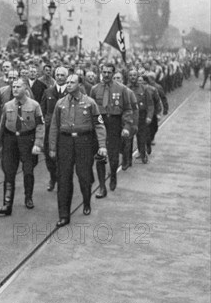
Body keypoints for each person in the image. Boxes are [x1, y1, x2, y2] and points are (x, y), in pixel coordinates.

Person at [49, 74, 107, 227]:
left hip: (84, 142)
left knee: (84, 176)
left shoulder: (89, 103)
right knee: (64, 179)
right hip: (65, 142)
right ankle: (64, 215)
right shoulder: (60, 103)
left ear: (79, 85)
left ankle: (86, 201)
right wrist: (52, 147)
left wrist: (102, 146)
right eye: (66, 82)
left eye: (71, 82)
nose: (68, 85)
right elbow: (54, 126)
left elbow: (99, 125)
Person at [0, 78, 44, 215]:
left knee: (28, 170)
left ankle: (28, 197)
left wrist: (38, 144)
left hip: (27, 139)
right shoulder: (8, 105)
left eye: (18, 87)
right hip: (10, 139)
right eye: (13, 87)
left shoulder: (34, 105)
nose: (15, 89)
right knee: (9, 172)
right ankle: (7, 203)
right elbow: (2, 126)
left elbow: (40, 125)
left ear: (25, 89)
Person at [90, 63, 133, 196]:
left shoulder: (121, 89)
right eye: (104, 72)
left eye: (109, 72)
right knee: (100, 155)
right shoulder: (95, 89)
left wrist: (126, 126)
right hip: (100, 124)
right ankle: (102, 187)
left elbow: (127, 109)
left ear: (113, 74)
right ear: (100, 72)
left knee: (113, 157)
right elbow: (90, 109)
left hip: (115, 123)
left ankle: (113, 174)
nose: (106, 75)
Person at [39, 66, 69, 191]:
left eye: (62, 75)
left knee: (64, 156)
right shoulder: (48, 92)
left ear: (66, 77)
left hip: (65, 130)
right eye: (58, 75)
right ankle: (53, 177)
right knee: (49, 156)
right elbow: (42, 111)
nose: (60, 77)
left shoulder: (70, 92)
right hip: (50, 129)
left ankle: (63, 180)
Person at [127, 70, 154, 164]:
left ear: (137, 76)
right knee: (128, 139)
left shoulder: (144, 88)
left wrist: (149, 116)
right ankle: (128, 160)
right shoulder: (125, 89)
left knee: (141, 137)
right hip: (130, 116)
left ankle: (143, 155)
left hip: (141, 116)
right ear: (128, 77)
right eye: (130, 75)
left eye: (134, 75)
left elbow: (150, 104)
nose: (132, 77)